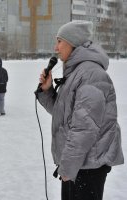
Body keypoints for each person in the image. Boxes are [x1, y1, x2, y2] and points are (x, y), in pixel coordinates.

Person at [36, 21, 124, 200]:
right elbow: (68, 116)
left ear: (72, 42)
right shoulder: (77, 72)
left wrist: (68, 167)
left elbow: (85, 128)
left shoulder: (91, 74)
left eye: (59, 41)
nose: (56, 48)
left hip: (88, 167)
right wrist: (47, 91)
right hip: (78, 164)